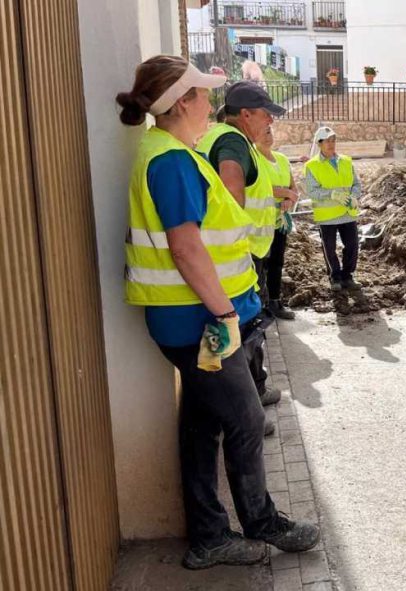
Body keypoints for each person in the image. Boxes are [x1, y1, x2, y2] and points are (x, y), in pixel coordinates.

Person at [116, 55, 319, 569]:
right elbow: (186, 249)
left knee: (203, 426)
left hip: (193, 317)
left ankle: (210, 535)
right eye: (204, 95)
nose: (212, 103)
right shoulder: (171, 161)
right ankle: (259, 522)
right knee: (246, 419)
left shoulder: (172, 150)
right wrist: (226, 313)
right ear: (183, 102)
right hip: (199, 321)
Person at [196, 81, 290, 407]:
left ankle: (216, 394)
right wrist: (235, 238)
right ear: (246, 114)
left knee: (224, 331)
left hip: (232, 259)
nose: (271, 122)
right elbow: (231, 187)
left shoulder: (219, 138)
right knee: (245, 330)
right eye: (267, 114)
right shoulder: (232, 142)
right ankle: (246, 398)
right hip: (235, 261)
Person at [304, 126, 363, 291]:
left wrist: (354, 196)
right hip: (327, 215)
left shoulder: (346, 161)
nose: (331, 144)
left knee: (352, 245)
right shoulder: (312, 166)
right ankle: (335, 277)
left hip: (347, 212)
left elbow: (356, 184)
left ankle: (347, 276)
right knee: (329, 248)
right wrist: (332, 194)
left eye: (333, 140)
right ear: (319, 143)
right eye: (327, 141)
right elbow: (312, 191)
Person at [255, 126, 297, 320]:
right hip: (260, 222)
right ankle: (259, 305)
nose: (267, 135)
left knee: (277, 262)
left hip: (280, 221)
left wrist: (290, 199)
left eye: (269, 132)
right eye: (264, 132)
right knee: (259, 264)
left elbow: (293, 187)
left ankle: (274, 301)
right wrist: (286, 193)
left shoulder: (282, 159)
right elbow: (261, 188)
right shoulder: (253, 159)